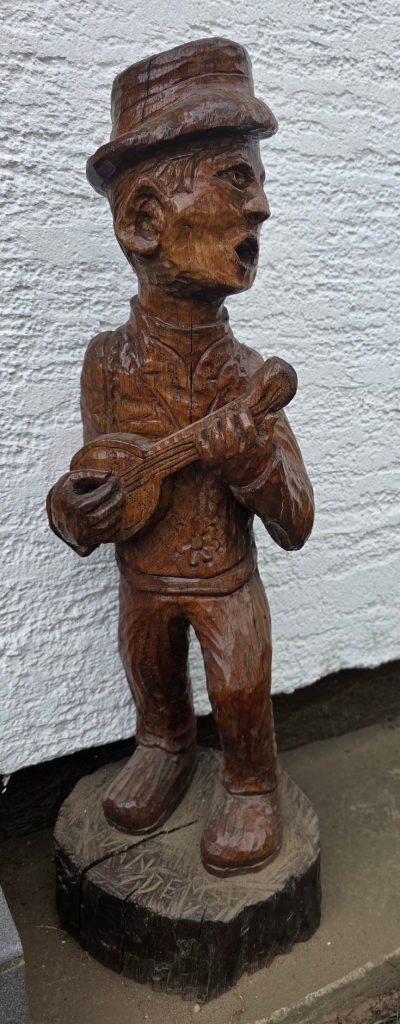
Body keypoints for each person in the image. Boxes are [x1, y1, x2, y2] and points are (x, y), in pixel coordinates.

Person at [47, 38, 314, 876]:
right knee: (152, 672)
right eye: (236, 178)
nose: (262, 207)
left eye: (257, 179)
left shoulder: (251, 381)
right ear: (144, 221)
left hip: (227, 585)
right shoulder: (108, 364)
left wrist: (252, 467)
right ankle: (164, 745)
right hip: (143, 582)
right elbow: (100, 475)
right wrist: (78, 506)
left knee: (238, 683)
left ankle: (250, 781)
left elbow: (297, 521)